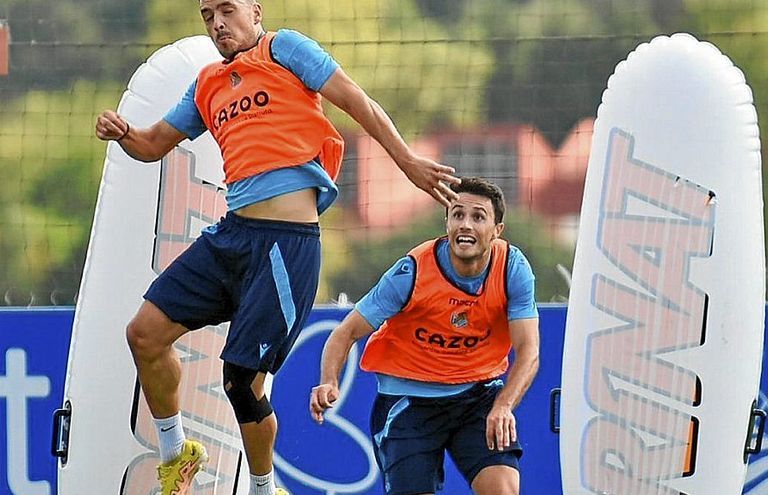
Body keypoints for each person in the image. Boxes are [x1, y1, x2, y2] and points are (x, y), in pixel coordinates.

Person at [94, 0, 460, 494]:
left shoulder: (283, 48)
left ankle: (265, 488)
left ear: (255, 11)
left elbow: (356, 100)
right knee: (144, 334)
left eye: (227, 10)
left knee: (241, 383)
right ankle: (176, 453)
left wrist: (408, 161)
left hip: (286, 248)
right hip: (232, 238)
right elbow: (153, 143)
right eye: (208, 16)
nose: (218, 23)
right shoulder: (207, 84)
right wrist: (123, 135)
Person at [310, 177, 540, 495]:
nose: (465, 225)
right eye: (457, 214)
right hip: (408, 404)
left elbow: (529, 352)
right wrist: (328, 381)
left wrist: (503, 406)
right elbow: (346, 332)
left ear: (497, 230)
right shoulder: (413, 272)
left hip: (478, 397)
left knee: (503, 489)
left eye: (478, 217)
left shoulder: (512, 268)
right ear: (446, 221)